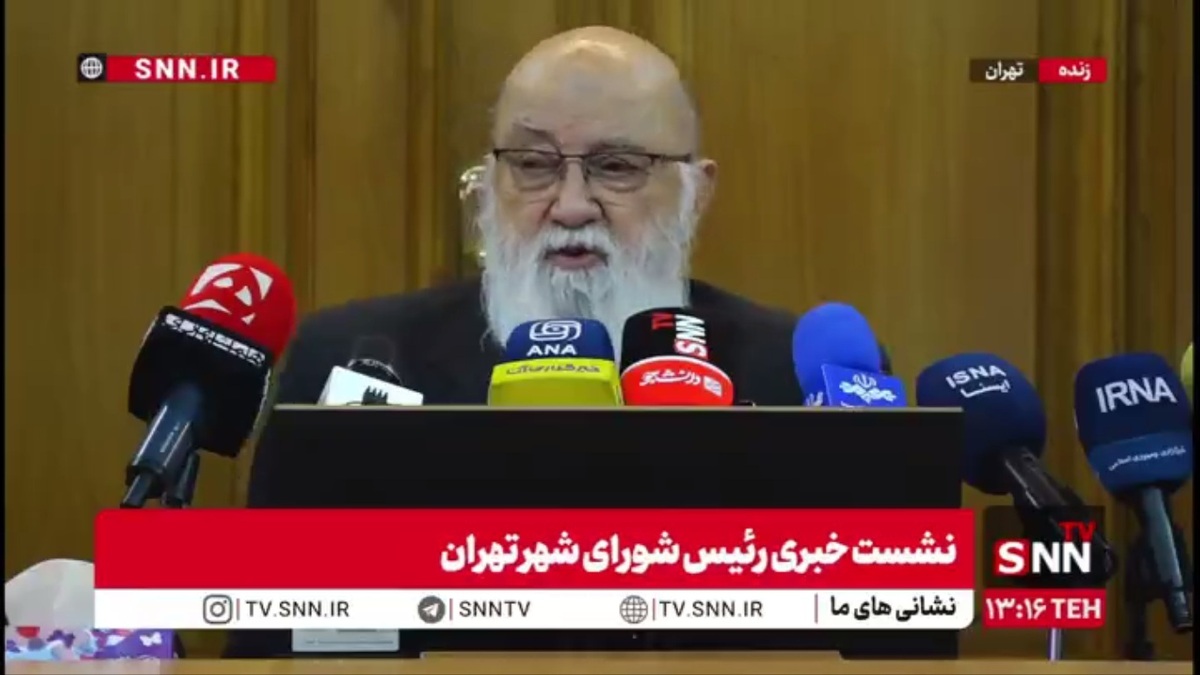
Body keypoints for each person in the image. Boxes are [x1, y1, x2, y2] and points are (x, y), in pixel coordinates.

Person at [226, 26, 887, 658]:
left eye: (617, 166)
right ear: (490, 182)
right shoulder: (350, 359)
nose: (571, 206)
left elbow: (882, 638)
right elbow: (268, 644)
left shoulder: (796, 379)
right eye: (533, 165)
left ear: (696, 191)